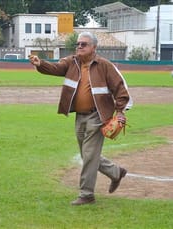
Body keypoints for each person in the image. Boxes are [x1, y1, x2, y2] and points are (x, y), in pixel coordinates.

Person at [29, 31, 132, 205]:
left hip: (98, 116)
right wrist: (41, 64)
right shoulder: (71, 62)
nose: (79, 47)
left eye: (83, 44)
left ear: (94, 47)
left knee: (90, 154)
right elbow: (55, 68)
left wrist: (120, 111)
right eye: (78, 44)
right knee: (88, 156)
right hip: (80, 117)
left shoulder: (104, 65)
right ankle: (116, 172)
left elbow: (121, 90)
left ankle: (87, 194)